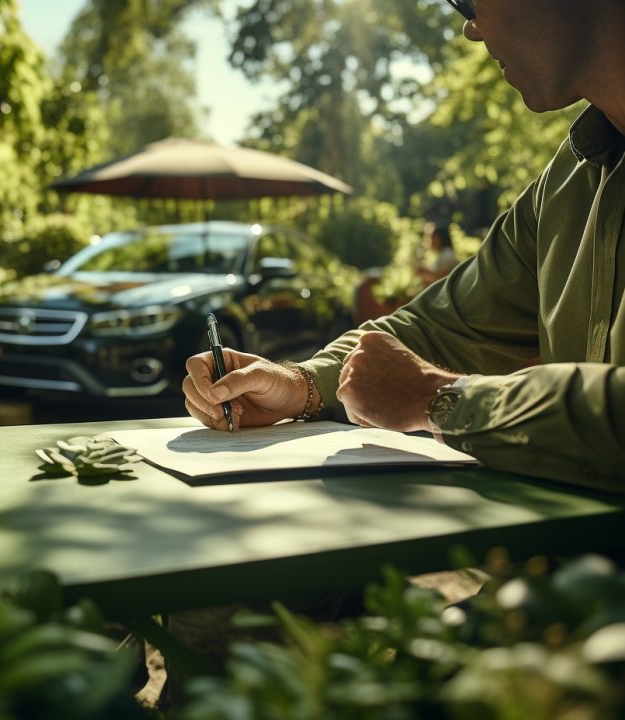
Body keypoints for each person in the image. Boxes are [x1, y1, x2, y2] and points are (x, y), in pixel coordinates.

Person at [183, 0, 625, 491]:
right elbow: (437, 328)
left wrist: (442, 400)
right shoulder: (573, 178)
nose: (470, 28)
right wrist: (299, 385)